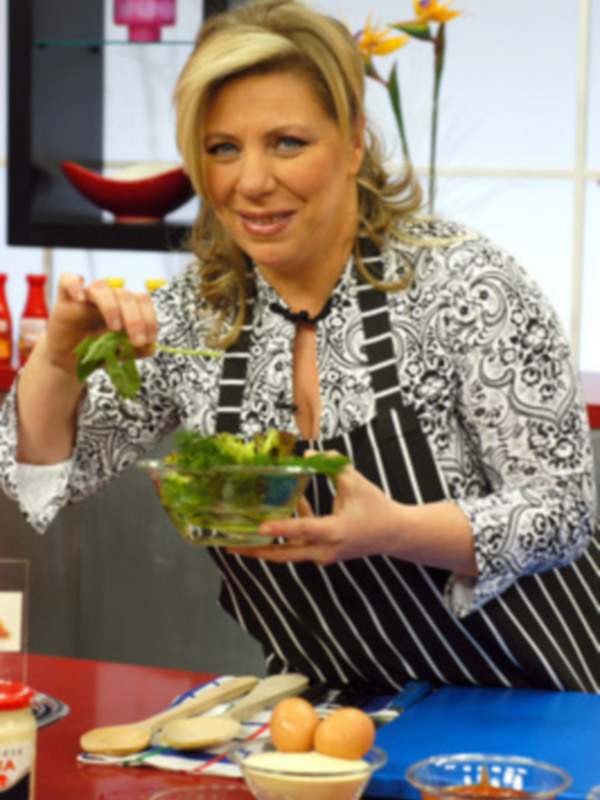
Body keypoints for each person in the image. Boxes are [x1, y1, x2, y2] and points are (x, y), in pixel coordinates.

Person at [1, 0, 598, 694]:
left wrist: (393, 529)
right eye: (223, 147)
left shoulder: (466, 285)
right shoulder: (195, 318)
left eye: (287, 142)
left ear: (351, 143)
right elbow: (50, 475)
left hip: (535, 701)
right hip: (327, 722)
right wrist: (56, 359)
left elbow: (563, 511)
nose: (251, 181)